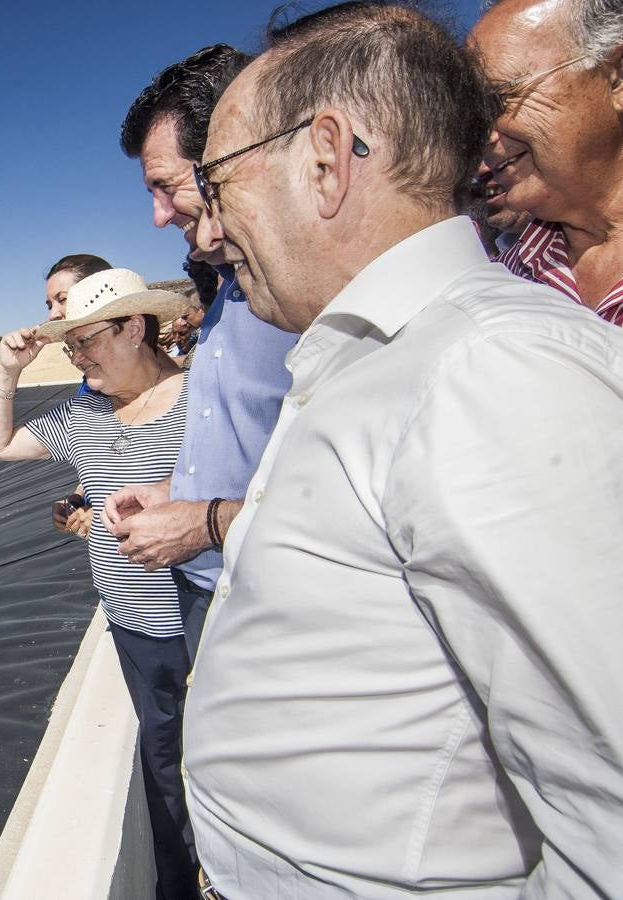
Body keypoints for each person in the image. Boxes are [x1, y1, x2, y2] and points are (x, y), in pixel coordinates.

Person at [185, 3, 623, 896]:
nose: (205, 230)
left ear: (322, 159)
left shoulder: (489, 370)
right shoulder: (389, 361)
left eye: (216, 183)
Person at [0, 268, 201, 900]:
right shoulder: (81, 416)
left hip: (210, 620)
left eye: (86, 342)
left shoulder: (200, 399)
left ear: (135, 328)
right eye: (70, 345)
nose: (77, 357)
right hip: (137, 630)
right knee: (164, 766)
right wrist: (8, 372)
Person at [103, 47, 298, 660]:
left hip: (276, 604)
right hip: (217, 583)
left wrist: (204, 522)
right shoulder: (233, 295)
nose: (159, 217)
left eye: (166, 186)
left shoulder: (303, 298)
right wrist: (176, 492)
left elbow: (359, 506)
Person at [471, 0, 623, 325]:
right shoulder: (502, 291)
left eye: (499, 97)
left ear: (617, 77)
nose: (481, 137)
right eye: (472, 116)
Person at [43, 253, 114, 538]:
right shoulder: (91, 383)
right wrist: (79, 497)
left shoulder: (167, 384)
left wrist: (106, 510)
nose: (53, 313)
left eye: (62, 299)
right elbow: (106, 460)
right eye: (50, 304)